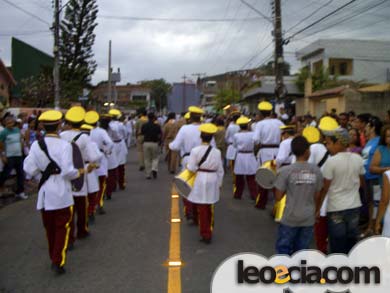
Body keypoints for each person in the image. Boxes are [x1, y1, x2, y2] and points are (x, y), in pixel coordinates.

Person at [23, 110, 84, 274]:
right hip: (61, 192)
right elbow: (68, 172)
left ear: (43, 126)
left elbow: (28, 168)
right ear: (59, 125)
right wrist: (80, 173)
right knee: (62, 227)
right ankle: (57, 260)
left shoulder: (36, 145)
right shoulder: (65, 145)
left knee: (49, 228)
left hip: (45, 192)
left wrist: (41, 175)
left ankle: (54, 257)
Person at [318, 127, 365, 254]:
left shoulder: (331, 162)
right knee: (351, 241)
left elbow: (325, 189)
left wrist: (317, 209)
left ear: (338, 143)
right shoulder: (358, 158)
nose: (328, 147)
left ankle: (338, 269)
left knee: (337, 243)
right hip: (354, 206)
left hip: (335, 208)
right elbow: (362, 184)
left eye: (329, 143)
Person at [60, 106, 102, 247]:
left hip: (65, 173)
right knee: (81, 205)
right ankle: (82, 231)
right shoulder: (84, 137)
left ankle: (69, 238)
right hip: (80, 171)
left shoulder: (61, 136)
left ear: (68, 122)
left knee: (68, 206)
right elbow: (94, 156)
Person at [274, 136, 323, 255]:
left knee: (283, 249)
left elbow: (278, 197)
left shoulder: (286, 171)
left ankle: (283, 273)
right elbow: (318, 195)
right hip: (308, 217)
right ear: (307, 151)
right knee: (301, 251)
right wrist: (316, 211)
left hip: (290, 217)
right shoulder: (316, 171)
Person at [186, 123, 224, 244]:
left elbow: (191, 168)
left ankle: (205, 233)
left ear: (201, 137)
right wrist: (219, 183)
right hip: (213, 178)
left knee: (202, 206)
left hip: (200, 178)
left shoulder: (195, 150)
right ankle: (208, 229)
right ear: (212, 138)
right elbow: (220, 169)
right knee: (209, 206)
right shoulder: (217, 152)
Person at [169, 106, 205, 222]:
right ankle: (199, 212)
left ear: (189, 118)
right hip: (203, 159)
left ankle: (189, 211)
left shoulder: (185, 129)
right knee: (200, 187)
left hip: (188, 160)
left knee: (187, 187)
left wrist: (170, 145)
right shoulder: (205, 128)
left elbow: (175, 146)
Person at [253, 101, 284, 209]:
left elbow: (256, 140)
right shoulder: (279, 123)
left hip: (265, 152)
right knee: (277, 177)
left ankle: (261, 202)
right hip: (278, 151)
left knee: (263, 177)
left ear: (261, 113)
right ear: (271, 112)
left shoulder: (260, 124)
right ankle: (278, 205)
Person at [87, 111, 114, 215]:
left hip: (87, 160)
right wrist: (107, 151)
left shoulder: (84, 130)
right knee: (101, 182)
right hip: (100, 158)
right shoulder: (101, 131)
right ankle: (99, 204)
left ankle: (90, 206)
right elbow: (110, 143)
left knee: (89, 185)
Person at [360, 117, 383, 236]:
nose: (365, 128)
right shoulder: (369, 141)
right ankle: (370, 225)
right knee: (370, 202)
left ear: (373, 128)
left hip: (375, 177)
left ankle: (374, 226)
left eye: (368, 126)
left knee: (375, 203)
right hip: (367, 177)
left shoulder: (379, 141)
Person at [232, 116, 259, 200]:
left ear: (239, 126)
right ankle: (254, 195)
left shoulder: (236, 135)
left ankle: (238, 194)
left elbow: (234, 145)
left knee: (239, 177)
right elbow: (256, 143)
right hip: (250, 155)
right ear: (248, 125)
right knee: (251, 177)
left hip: (240, 156)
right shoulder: (253, 134)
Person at [0, 115, 26, 199]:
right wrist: (3, 155)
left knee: (20, 174)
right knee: (6, 174)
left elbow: (21, 139)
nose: (10, 124)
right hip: (9, 156)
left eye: (11, 122)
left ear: (14, 122)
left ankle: (20, 192)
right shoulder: (4, 132)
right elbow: (1, 143)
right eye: (8, 123)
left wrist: (22, 147)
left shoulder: (17, 130)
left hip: (18, 155)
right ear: (5, 124)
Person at [108, 109, 128, 190]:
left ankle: (112, 185)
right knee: (121, 166)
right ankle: (121, 183)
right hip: (120, 144)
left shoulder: (107, 125)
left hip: (111, 145)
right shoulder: (121, 125)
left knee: (112, 166)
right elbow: (125, 134)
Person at [141, 112, 162, 179]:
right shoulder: (157, 126)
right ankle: (154, 168)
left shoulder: (144, 125)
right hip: (154, 143)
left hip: (146, 143)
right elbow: (159, 135)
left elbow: (142, 133)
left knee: (147, 159)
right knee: (155, 158)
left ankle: (148, 174)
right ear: (153, 118)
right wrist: (160, 142)